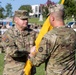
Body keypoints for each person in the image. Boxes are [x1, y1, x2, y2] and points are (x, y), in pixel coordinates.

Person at [29, 4, 76, 75]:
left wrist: (31, 55)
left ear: (52, 18)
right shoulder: (73, 33)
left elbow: (37, 62)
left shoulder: (49, 37)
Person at [1, 10, 36, 75]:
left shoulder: (32, 33)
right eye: (23, 19)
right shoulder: (8, 34)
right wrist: (30, 51)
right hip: (13, 72)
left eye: (27, 19)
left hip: (29, 71)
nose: (26, 21)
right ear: (15, 20)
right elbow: (12, 52)